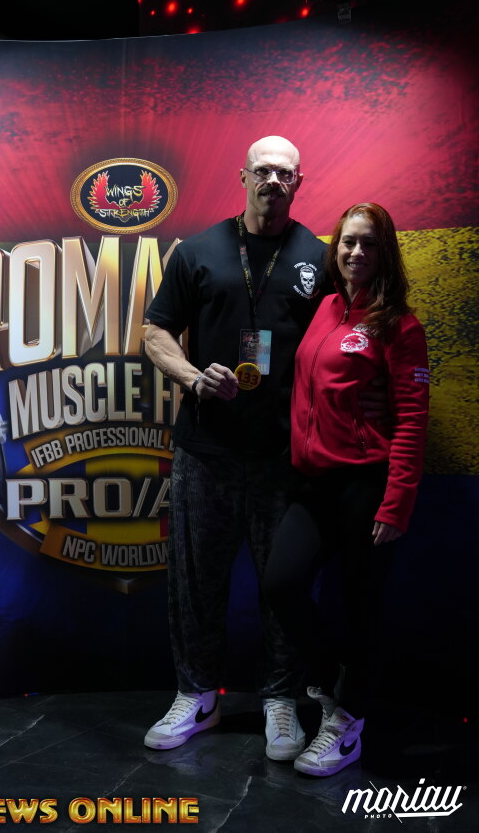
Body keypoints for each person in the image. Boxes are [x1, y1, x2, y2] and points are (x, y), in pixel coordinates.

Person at [142, 135, 331, 756]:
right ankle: (197, 696)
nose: (273, 180)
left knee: (284, 584)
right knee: (195, 581)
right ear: (243, 177)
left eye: (285, 173)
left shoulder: (319, 257)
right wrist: (193, 377)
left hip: (285, 454)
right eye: (263, 170)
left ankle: (281, 701)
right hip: (206, 450)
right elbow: (154, 331)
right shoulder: (199, 250)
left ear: (298, 182)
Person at [263, 202, 429, 777]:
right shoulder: (327, 308)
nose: (356, 252)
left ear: (386, 253)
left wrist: (396, 504)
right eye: (348, 242)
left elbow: (412, 420)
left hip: (368, 484)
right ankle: (336, 683)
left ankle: (348, 725)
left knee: (361, 607)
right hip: (315, 484)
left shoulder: (399, 326)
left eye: (369, 243)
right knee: (281, 583)